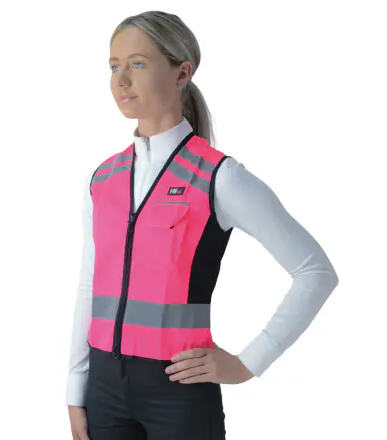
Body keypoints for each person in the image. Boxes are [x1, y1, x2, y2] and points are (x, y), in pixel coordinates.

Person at [66, 10, 339, 440]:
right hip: (103, 390)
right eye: (114, 66)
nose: (121, 80)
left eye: (137, 64)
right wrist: (75, 386)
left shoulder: (217, 177)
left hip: (179, 389)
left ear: (182, 73)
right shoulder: (101, 180)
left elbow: (316, 271)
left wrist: (248, 363)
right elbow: (89, 286)